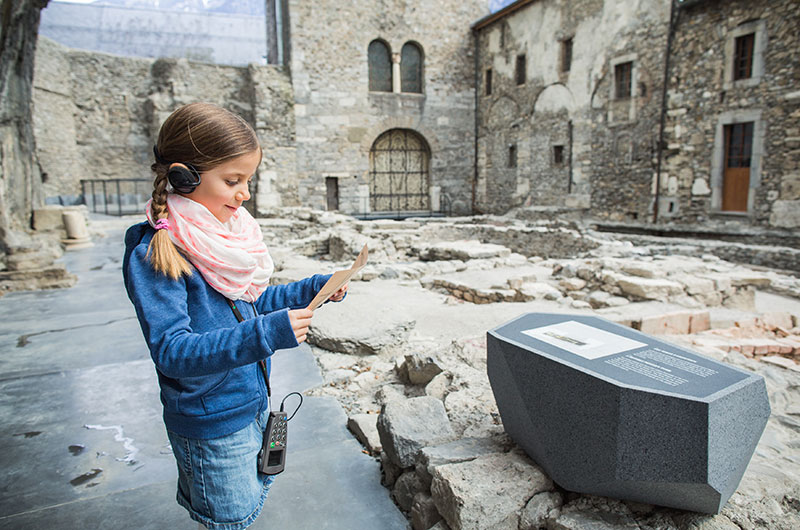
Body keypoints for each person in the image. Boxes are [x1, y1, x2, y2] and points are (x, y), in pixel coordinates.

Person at [122, 102, 346, 530]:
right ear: (183, 176)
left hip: (249, 401)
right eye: (232, 180)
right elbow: (173, 352)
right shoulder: (157, 252)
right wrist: (266, 335)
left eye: (248, 180)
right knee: (231, 518)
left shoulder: (221, 240)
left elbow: (249, 306)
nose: (245, 193)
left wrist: (313, 288)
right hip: (211, 424)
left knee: (247, 505)